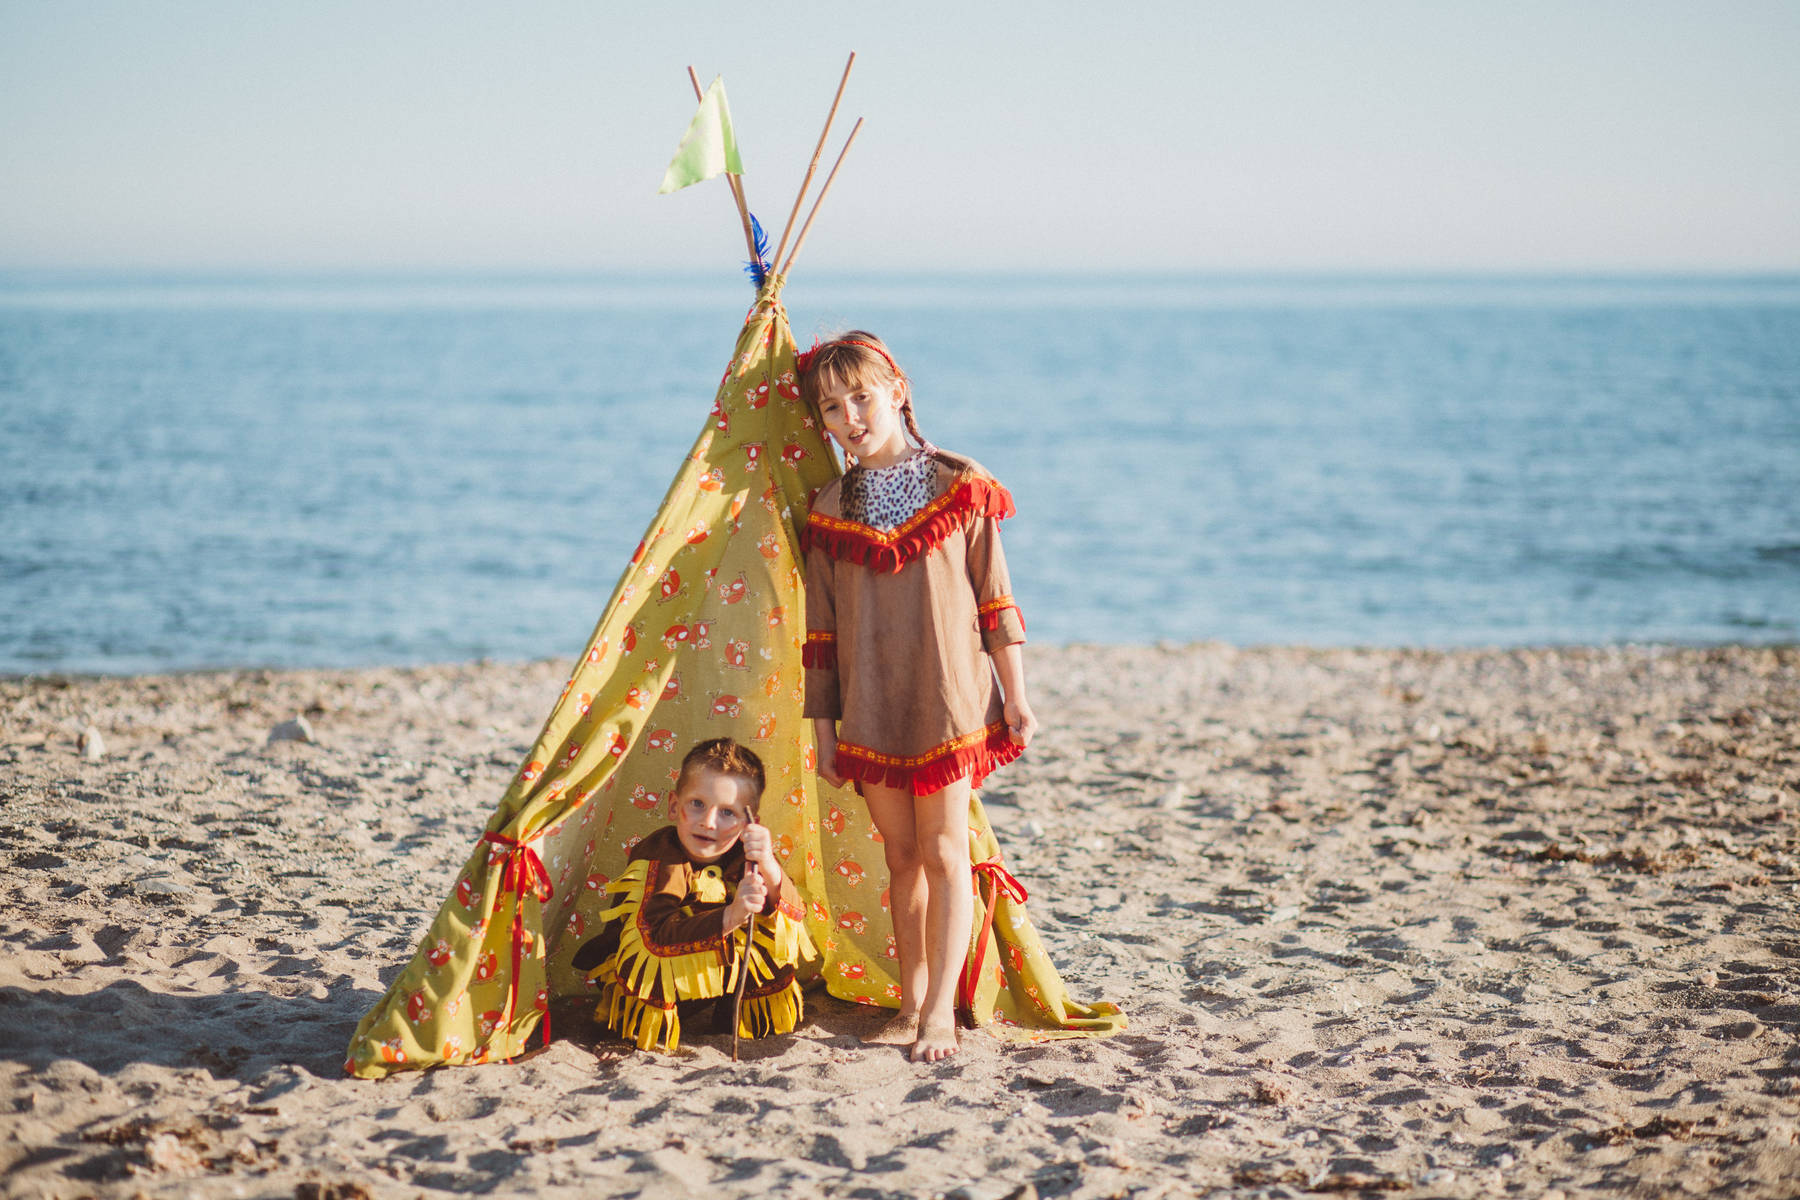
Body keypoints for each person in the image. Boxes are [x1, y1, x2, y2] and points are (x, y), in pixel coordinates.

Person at [798, 331, 1035, 1063]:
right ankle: (909, 998)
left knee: (944, 851)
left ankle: (940, 1013)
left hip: (948, 699)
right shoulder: (830, 508)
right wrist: (824, 734)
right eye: (833, 408)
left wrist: (1016, 696)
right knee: (900, 857)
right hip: (870, 705)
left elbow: (996, 602)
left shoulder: (961, 485)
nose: (851, 416)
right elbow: (822, 634)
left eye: (862, 397)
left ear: (897, 389)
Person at [571, 738, 812, 1052]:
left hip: (713, 970)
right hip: (654, 978)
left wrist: (767, 862)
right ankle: (649, 1030)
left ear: (748, 824)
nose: (709, 822)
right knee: (651, 963)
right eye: (697, 804)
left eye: (728, 812)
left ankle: (739, 1020)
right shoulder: (662, 857)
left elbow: (793, 912)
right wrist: (732, 915)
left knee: (771, 935)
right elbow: (656, 937)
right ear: (674, 805)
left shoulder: (744, 853)